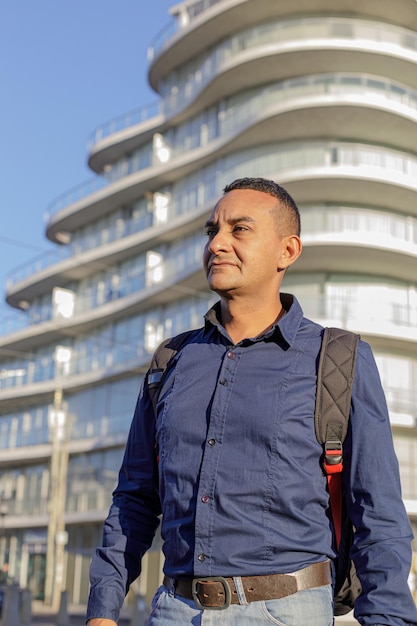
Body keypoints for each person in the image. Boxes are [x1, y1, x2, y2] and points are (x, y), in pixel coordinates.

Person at [86, 177, 417, 625]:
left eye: (239, 230)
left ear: (288, 251)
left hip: (289, 611)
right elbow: (135, 499)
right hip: (172, 610)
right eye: (212, 231)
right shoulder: (171, 361)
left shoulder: (338, 359)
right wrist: (102, 611)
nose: (217, 244)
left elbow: (379, 514)